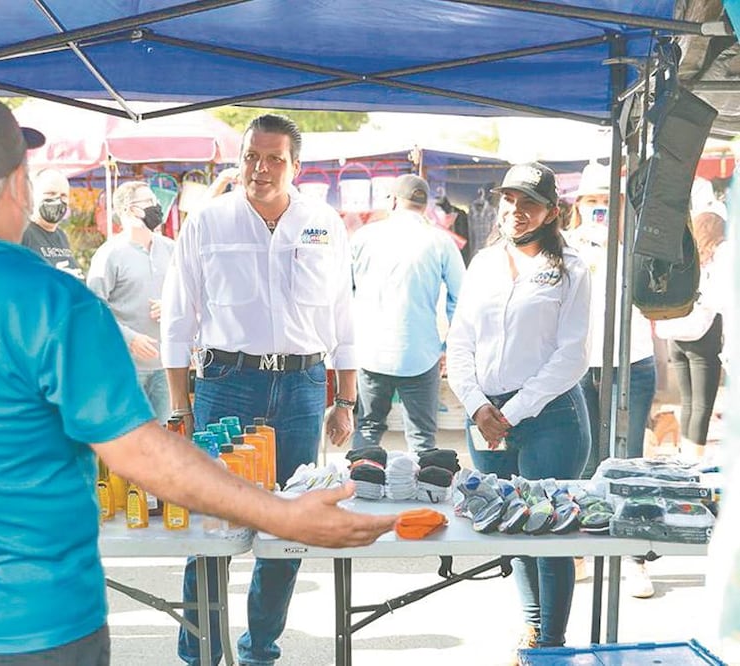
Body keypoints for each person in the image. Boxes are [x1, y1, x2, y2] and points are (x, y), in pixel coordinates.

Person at [0, 11, 395, 666]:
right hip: (38, 629)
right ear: (18, 183)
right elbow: (141, 453)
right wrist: (281, 514)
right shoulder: (52, 302)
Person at [161, 113, 358, 666]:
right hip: (228, 386)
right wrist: (182, 405)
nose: (261, 168)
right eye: (252, 156)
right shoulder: (207, 222)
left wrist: (344, 400)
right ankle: (199, 654)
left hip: (301, 388)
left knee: (286, 529)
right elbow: (177, 319)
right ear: (238, 160)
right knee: (214, 531)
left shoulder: (324, 222)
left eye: (274, 158)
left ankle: (259, 651)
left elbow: (344, 316)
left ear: (297, 166)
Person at [446, 162, 591, 651]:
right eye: (510, 200)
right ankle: (532, 630)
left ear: (552, 212)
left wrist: (512, 412)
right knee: (509, 530)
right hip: (485, 415)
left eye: (530, 203)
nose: (516, 211)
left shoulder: (570, 270)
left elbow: (572, 355)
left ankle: (552, 644)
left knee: (548, 537)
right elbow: (460, 341)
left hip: (550, 417)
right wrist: (477, 405)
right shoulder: (483, 263)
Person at [563, 162, 658, 596]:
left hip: (633, 358)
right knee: (583, 454)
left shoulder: (637, 244)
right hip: (581, 363)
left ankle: (635, 557)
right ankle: (581, 544)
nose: (600, 208)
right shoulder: (565, 247)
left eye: (608, 200)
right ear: (578, 206)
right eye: (593, 200)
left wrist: (622, 244)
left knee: (631, 458)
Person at [350, 173, 464, 454]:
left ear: (392, 201)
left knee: (368, 428)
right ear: (424, 206)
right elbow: (460, 298)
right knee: (422, 439)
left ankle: (358, 490)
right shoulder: (440, 241)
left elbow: (341, 292)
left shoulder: (363, 237)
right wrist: (450, 346)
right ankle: (424, 493)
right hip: (420, 352)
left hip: (371, 352)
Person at [87, 181, 174, 425]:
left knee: (167, 440)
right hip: (125, 368)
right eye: (148, 202)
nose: (156, 206)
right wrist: (130, 338)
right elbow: (93, 310)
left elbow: (190, 297)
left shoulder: (171, 249)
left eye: (155, 201)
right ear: (128, 211)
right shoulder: (109, 254)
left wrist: (171, 306)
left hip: (166, 366)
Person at [654, 205, 729, 461]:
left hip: (676, 332)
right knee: (701, 405)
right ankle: (694, 459)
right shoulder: (720, 257)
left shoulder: (683, 256)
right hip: (703, 334)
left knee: (688, 401)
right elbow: (722, 299)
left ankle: (685, 455)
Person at [21, 167, 82, 277]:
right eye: (50, 193)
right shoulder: (21, 233)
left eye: (63, 196)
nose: (58, 200)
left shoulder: (61, 235)